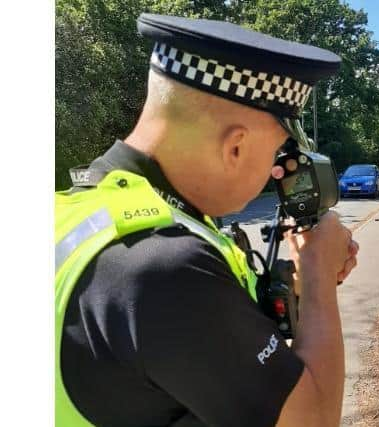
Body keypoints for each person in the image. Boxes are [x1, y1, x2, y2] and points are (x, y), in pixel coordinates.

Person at [55, 13, 359, 427]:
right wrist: (320, 277)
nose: (275, 171)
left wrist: (298, 287)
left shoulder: (77, 212)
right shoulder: (164, 269)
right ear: (235, 146)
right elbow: (314, 420)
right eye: (276, 153)